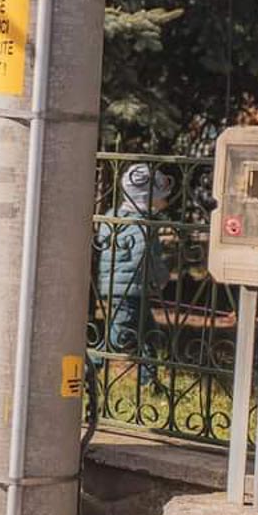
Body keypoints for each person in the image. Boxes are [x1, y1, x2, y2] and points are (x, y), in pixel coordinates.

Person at [96, 163, 174, 388]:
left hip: (117, 286)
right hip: (129, 289)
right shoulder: (143, 226)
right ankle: (91, 363)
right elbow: (147, 259)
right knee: (118, 335)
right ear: (147, 199)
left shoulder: (114, 216)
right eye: (161, 198)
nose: (164, 203)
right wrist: (161, 278)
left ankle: (149, 382)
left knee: (148, 335)